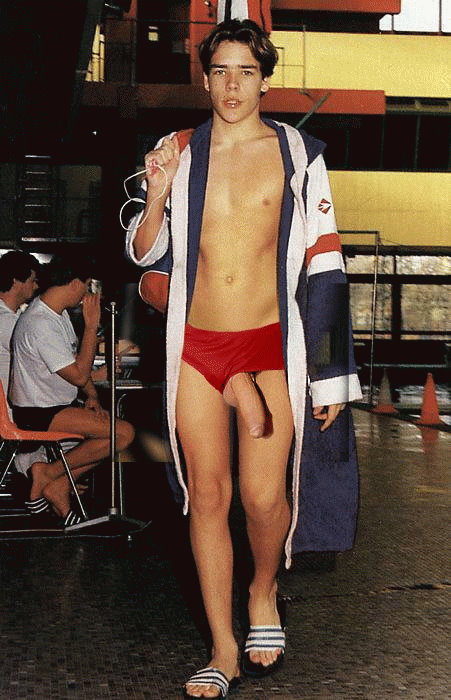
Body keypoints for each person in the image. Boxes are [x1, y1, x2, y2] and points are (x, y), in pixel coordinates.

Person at [126, 19, 362, 699]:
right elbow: (144, 255)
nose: (232, 86)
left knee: (263, 498)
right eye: (220, 72)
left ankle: (262, 589)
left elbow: (325, 266)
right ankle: (222, 649)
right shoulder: (178, 150)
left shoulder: (298, 154)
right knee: (207, 496)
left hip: (265, 352)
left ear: (265, 80)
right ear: (204, 79)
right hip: (197, 351)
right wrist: (158, 194)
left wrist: (330, 375)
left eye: (246, 72)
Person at [9, 254, 135, 526]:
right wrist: (90, 327)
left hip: (51, 406)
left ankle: (57, 483)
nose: (86, 293)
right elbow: (79, 375)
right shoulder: (40, 323)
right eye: (86, 285)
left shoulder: (56, 314)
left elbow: (74, 362)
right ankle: (50, 475)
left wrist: (92, 396)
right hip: (38, 412)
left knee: (116, 434)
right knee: (123, 433)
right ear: (75, 283)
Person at [0, 250, 40, 408]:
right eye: (32, 281)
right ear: (16, 281)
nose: (36, 286)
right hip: (7, 412)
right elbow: (41, 362)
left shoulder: (13, 316)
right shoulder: (6, 321)